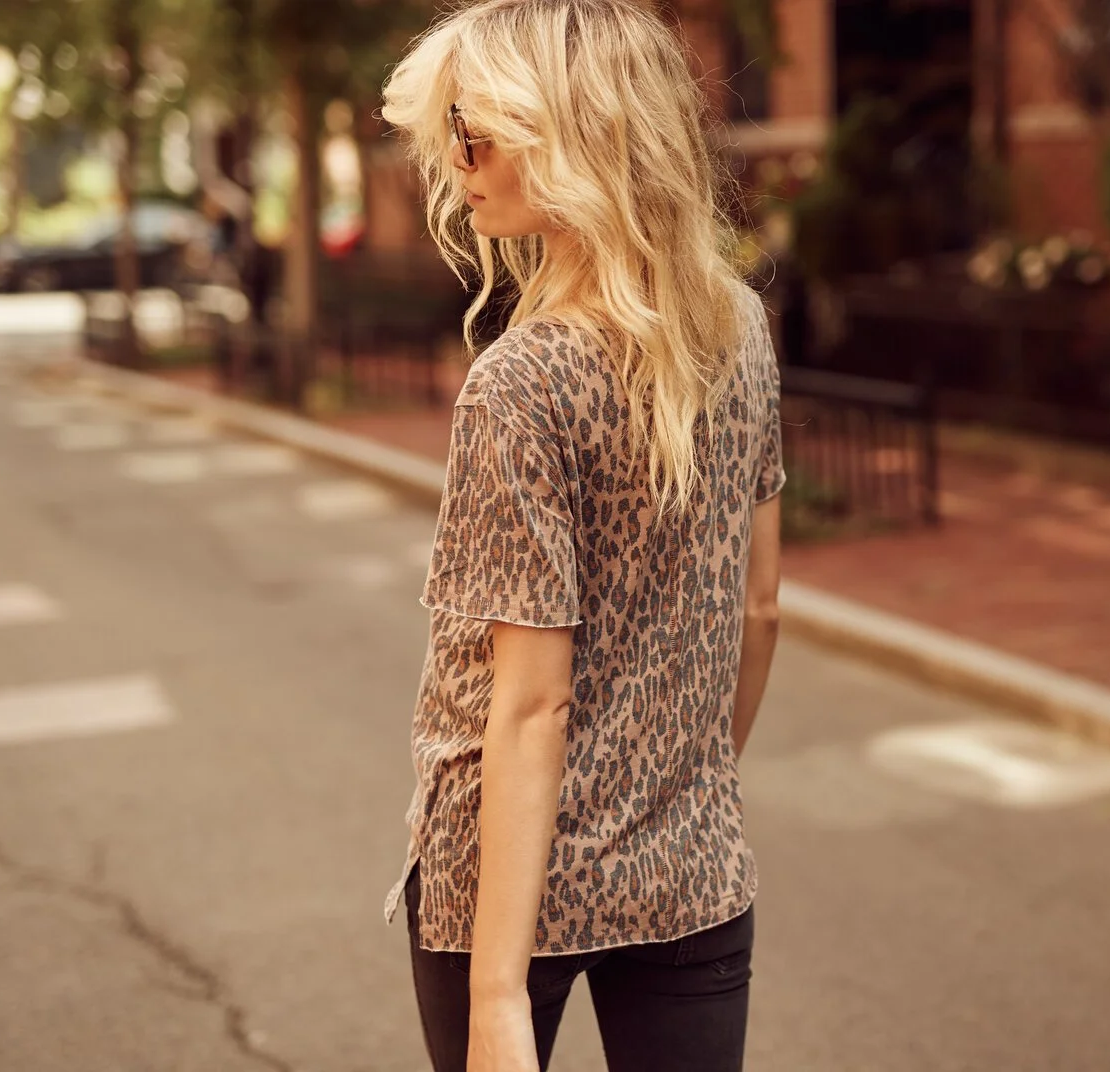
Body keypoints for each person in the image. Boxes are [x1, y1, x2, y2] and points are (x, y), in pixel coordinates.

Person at [378, 2, 785, 1069]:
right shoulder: (738, 328)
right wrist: (674, 797)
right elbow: (762, 607)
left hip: (506, 884)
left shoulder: (520, 382)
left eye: (476, 135)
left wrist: (500, 989)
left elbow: (531, 703)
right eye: (449, 136)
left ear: (567, 139)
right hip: (687, 865)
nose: (455, 165)